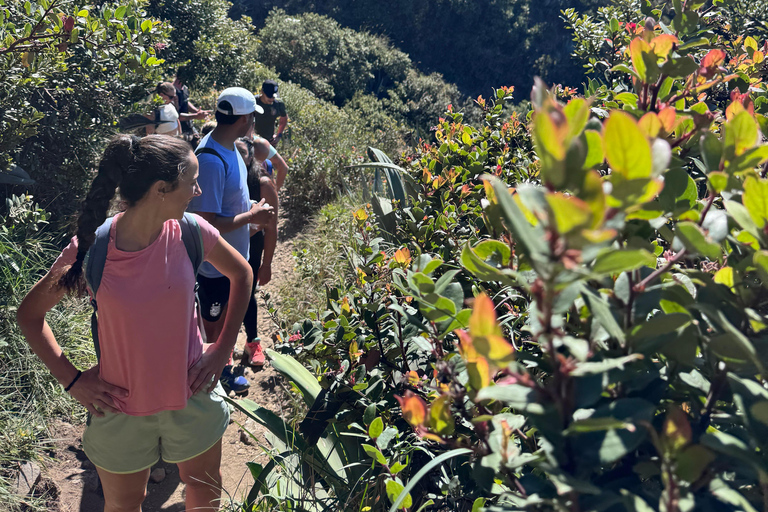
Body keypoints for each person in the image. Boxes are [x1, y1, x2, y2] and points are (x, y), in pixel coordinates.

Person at [16, 134, 255, 511]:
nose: (197, 191)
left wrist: (223, 348)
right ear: (161, 189)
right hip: (119, 407)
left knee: (204, 489)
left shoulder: (192, 232)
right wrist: (73, 381)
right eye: (191, 182)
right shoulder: (92, 248)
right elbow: (29, 315)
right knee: (125, 504)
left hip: (192, 396)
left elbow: (242, 275)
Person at [187, 87, 273, 394]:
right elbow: (204, 224)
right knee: (213, 326)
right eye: (252, 117)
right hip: (214, 267)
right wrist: (252, 219)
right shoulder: (211, 160)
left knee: (226, 320)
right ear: (245, 119)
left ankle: (218, 367)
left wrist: (250, 209)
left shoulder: (229, 149)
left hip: (230, 260)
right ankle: (211, 377)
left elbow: (224, 204)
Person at [235, 137, 279, 367]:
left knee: (246, 293)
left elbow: (271, 228)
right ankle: (220, 347)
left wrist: (267, 264)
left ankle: (252, 342)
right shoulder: (220, 178)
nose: (236, 155)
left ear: (251, 156)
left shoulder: (262, 184)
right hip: (222, 247)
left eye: (241, 151)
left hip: (252, 248)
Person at [254, 79, 288, 146]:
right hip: (252, 140)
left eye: (273, 96)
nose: (271, 99)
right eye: (269, 96)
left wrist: (279, 135)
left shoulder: (278, 104)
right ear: (262, 92)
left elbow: (284, 118)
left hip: (269, 142)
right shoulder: (253, 102)